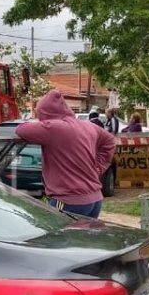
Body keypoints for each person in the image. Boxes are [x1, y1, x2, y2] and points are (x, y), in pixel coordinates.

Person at [16, 90, 116, 218]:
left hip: (67, 201)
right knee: (83, 237)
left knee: (57, 237)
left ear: (45, 112)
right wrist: (98, 167)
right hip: (94, 199)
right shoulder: (87, 126)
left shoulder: (53, 128)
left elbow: (21, 129)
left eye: (39, 113)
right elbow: (110, 140)